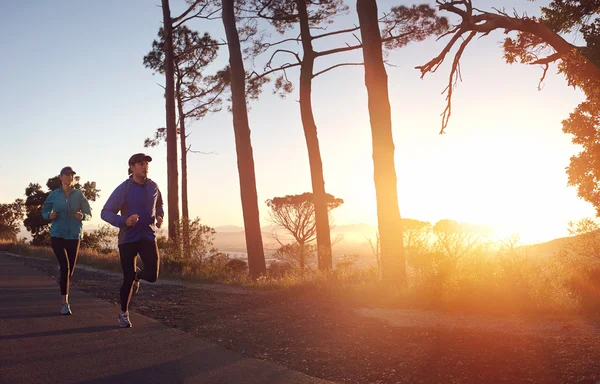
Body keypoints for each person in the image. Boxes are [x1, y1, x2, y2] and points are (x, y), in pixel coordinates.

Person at [101, 153, 164, 328]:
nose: (145, 167)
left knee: (152, 275)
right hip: (128, 238)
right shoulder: (124, 188)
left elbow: (159, 206)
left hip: (147, 236)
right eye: (141, 164)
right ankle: (123, 313)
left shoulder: (153, 187)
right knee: (127, 279)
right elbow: (105, 212)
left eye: (146, 164)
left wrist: (159, 217)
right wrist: (124, 221)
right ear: (132, 167)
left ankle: (138, 276)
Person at [41, 166, 92, 315]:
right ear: (61, 177)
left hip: (74, 235)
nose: (70, 177)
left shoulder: (79, 195)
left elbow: (88, 213)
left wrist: (82, 216)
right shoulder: (54, 195)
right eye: (67, 175)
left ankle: (61, 275)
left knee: (69, 271)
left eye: (72, 175)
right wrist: (49, 216)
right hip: (57, 234)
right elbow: (44, 211)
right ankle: (65, 303)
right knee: (66, 267)